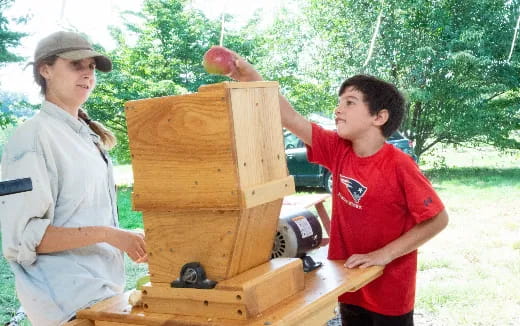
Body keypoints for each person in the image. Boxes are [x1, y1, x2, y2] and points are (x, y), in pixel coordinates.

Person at [229, 56, 449, 326]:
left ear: (379, 117)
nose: (338, 109)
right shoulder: (337, 149)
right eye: (339, 102)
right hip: (349, 280)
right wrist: (252, 78)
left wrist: (384, 255)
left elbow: (438, 219)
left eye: (350, 103)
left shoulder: (399, 165)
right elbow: (290, 117)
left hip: (389, 291)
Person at [0, 31, 147, 326]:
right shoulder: (32, 137)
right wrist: (110, 234)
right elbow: (21, 239)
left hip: (102, 292)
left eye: (91, 67)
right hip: (65, 301)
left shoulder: (87, 137)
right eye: (76, 65)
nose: (87, 74)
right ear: (45, 70)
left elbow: (81, 213)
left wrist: (131, 239)